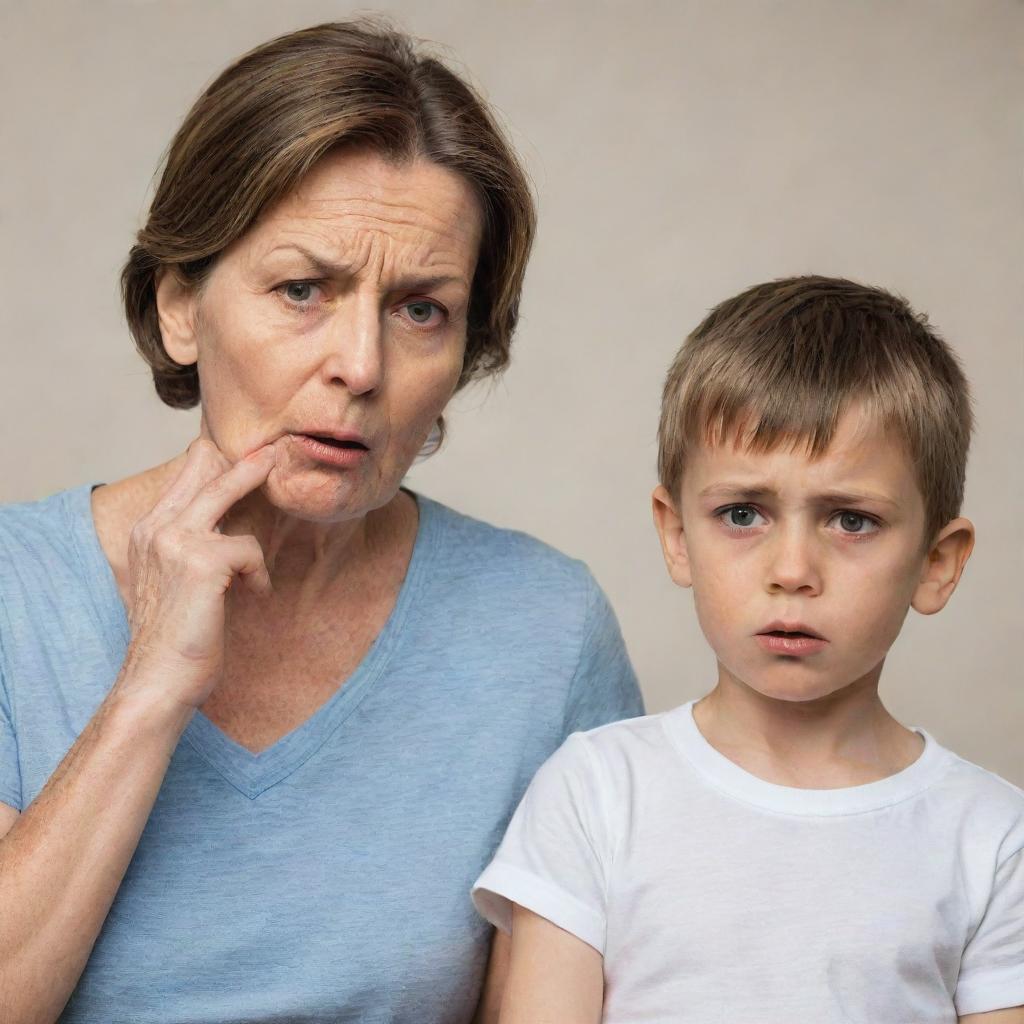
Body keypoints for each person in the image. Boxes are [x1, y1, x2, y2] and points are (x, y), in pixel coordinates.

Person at [0, 21, 643, 1023]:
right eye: (303, 290)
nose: (361, 365)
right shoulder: (12, 594)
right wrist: (151, 689)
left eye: (421, 309)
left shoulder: (545, 630)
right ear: (180, 305)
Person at [472, 276, 1024, 1023]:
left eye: (851, 521)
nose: (792, 571)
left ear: (937, 562)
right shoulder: (596, 795)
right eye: (742, 513)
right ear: (676, 536)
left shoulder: (992, 839)